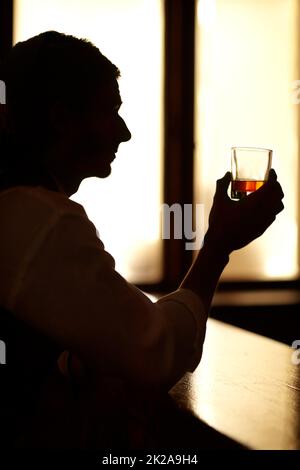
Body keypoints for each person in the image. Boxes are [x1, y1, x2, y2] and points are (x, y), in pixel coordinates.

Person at [0, 31, 284, 448]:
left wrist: (74, 362)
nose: (125, 132)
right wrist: (218, 245)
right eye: (109, 111)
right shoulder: (40, 218)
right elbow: (154, 352)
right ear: (61, 118)